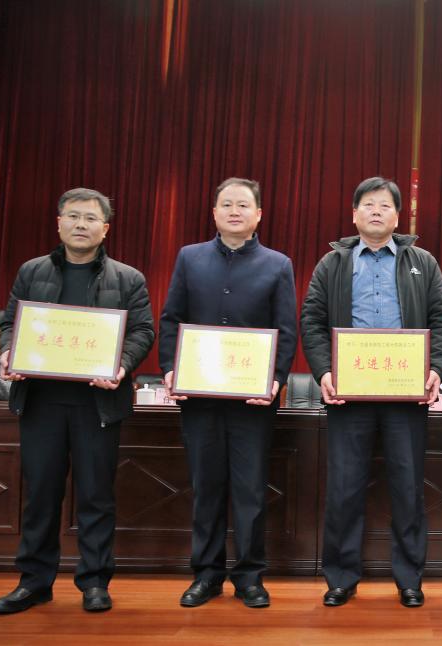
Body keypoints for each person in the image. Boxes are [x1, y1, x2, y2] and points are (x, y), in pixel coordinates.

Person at [0, 188, 154, 614]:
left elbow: (143, 331)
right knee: (40, 494)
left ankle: (95, 582)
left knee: (96, 496)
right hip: (41, 402)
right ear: (59, 222)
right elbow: (11, 323)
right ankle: (34, 582)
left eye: (91, 218)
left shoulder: (128, 278)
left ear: (105, 229)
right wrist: (9, 352)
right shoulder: (32, 271)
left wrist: (121, 364)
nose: (81, 225)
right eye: (74, 216)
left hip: (98, 404)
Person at [300, 176, 442, 608]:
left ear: (397, 217)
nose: (376, 211)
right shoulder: (332, 264)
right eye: (368, 204)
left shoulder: (422, 262)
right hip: (349, 395)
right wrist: (324, 371)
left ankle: (409, 579)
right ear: (354, 214)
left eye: (385, 205)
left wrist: (435, 369)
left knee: (407, 488)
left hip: (406, 396)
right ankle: (341, 577)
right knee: (344, 488)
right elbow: (311, 321)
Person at [159, 178, 297, 609]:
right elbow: (171, 318)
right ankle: (206, 575)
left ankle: (250, 577)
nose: (235, 211)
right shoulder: (190, 257)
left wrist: (275, 378)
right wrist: (170, 369)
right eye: (226, 204)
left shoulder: (277, 264)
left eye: (243, 205)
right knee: (207, 488)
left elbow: (285, 328)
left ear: (259, 215)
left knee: (250, 490)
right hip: (200, 397)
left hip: (252, 401)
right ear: (214, 212)